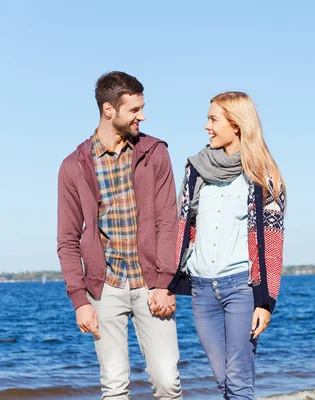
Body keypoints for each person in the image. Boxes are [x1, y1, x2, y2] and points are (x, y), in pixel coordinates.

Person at [57, 71, 182, 399]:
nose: (143, 116)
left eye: (142, 108)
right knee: (114, 386)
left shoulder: (154, 153)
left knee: (167, 381)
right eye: (134, 110)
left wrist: (164, 283)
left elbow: (169, 221)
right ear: (108, 110)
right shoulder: (74, 166)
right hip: (104, 288)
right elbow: (68, 239)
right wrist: (79, 301)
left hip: (150, 285)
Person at [175, 91, 285, 399]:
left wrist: (266, 301)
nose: (206, 126)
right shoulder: (195, 171)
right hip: (202, 290)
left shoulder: (263, 175)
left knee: (238, 380)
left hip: (241, 289)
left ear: (236, 124)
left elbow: (273, 244)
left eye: (213, 119)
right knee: (224, 380)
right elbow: (184, 225)